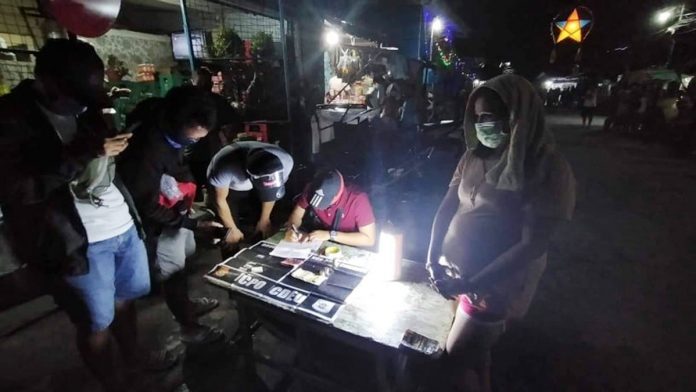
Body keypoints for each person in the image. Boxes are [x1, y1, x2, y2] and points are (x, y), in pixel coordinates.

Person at [0, 39, 153, 391]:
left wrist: (114, 146)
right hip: (72, 242)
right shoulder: (10, 119)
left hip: (122, 225)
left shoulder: (86, 107)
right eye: (78, 97)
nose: (84, 106)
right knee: (95, 322)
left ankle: (135, 364)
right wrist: (85, 154)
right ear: (46, 81)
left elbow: (101, 161)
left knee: (126, 301)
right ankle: (114, 383)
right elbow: (19, 190)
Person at [426, 74, 575, 392]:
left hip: (492, 289)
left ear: (517, 116)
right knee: (476, 357)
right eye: (478, 118)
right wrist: (431, 259)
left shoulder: (545, 168)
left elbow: (530, 246)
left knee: (450, 366)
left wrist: (471, 283)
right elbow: (447, 206)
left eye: (491, 117)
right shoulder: (473, 157)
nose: (483, 125)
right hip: (455, 276)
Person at [118, 86, 224, 345]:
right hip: (157, 221)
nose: (192, 144)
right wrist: (190, 223)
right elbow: (146, 205)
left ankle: (187, 305)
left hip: (175, 209)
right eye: (190, 140)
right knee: (173, 273)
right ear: (176, 121)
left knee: (184, 258)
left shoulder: (166, 124)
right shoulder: (147, 150)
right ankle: (189, 328)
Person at [207, 141, 293, 246]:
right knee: (229, 234)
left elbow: (272, 193)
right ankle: (230, 255)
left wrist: (264, 219)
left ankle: (259, 249)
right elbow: (220, 200)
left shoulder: (286, 162)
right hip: (229, 189)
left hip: (254, 186)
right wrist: (231, 228)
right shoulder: (224, 167)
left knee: (264, 226)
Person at [284, 169, 376, 248]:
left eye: (325, 202)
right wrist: (292, 230)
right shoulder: (311, 190)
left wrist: (331, 235)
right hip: (319, 241)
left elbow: (369, 239)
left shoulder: (358, 200)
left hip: (349, 244)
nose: (319, 206)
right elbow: (297, 214)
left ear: (338, 194)